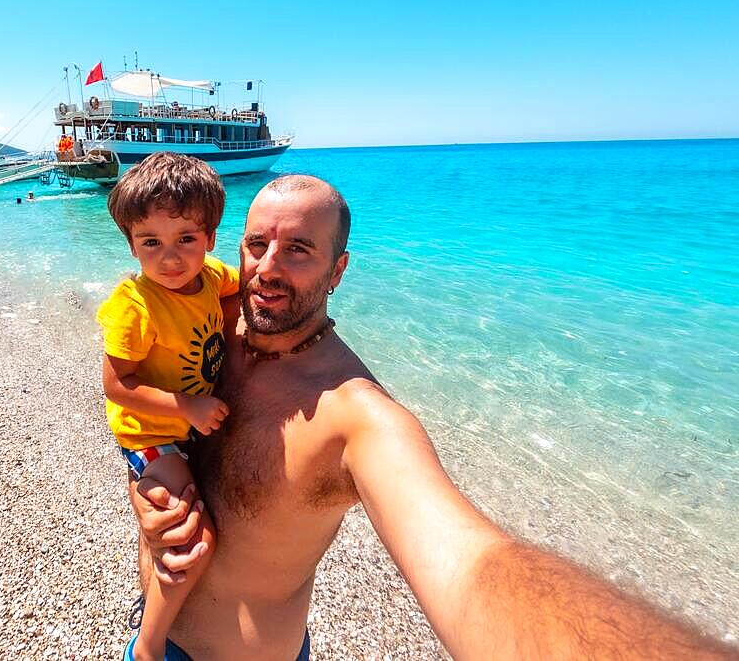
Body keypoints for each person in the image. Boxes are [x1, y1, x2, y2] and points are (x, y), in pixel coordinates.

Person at [128, 175, 735, 660]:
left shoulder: (357, 417)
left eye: (299, 251)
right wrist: (147, 498)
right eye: (257, 244)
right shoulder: (208, 323)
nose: (267, 268)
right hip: (149, 632)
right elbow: (138, 419)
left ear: (339, 271)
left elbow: (472, 565)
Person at [97, 153, 238, 661]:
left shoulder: (213, 276)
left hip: (185, 422)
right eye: (150, 242)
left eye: (186, 240)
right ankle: (150, 645)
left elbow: (240, 289)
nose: (170, 259)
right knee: (190, 539)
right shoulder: (136, 305)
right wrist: (187, 408)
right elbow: (116, 385)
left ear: (210, 239)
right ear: (132, 245)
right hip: (151, 433)